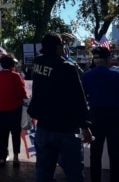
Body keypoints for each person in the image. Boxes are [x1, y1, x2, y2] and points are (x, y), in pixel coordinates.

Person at [27, 32, 92, 182]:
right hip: (66, 128)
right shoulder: (67, 67)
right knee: (74, 171)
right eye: (61, 46)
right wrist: (85, 125)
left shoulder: (37, 63)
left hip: (44, 126)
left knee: (43, 171)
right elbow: (78, 98)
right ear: (57, 48)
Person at [81, 47, 119, 182]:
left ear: (94, 60)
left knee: (95, 153)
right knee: (114, 153)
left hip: (94, 116)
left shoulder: (86, 75)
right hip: (113, 116)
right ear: (108, 59)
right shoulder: (115, 75)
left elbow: (82, 98)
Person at [0, 53, 27, 168]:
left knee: (1, 134)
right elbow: (22, 93)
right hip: (14, 109)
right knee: (16, 133)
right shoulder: (16, 76)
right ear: (12, 64)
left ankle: (2, 158)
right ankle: (15, 157)